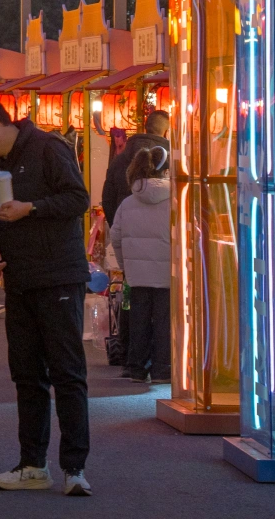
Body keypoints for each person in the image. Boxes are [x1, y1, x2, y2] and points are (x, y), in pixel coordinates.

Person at [0, 96, 91, 498]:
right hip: (18, 279)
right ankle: (32, 464)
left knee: (67, 373)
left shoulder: (49, 148)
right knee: (27, 375)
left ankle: (75, 467)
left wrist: (30, 208)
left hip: (58, 276)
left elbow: (78, 199)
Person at [109, 145, 171, 384]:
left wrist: (126, 265)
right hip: (167, 273)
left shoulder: (127, 203)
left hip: (137, 275)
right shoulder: (176, 200)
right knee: (164, 321)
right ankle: (162, 369)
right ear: (165, 171)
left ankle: (136, 368)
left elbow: (116, 236)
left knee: (138, 320)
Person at [101, 110, 170, 226]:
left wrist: (118, 226)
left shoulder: (118, 161)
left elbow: (108, 199)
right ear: (166, 132)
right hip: (163, 229)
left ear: (145, 128)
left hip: (126, 227)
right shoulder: (171, 162)